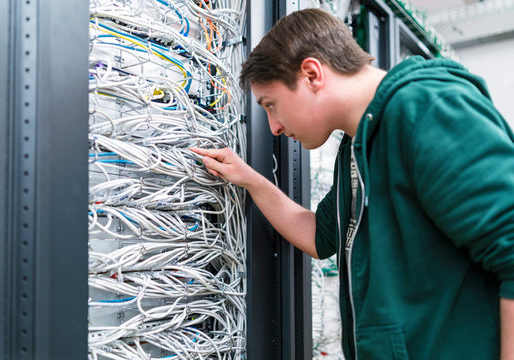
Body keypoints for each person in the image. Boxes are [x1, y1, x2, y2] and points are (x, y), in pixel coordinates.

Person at [191, 8, 514, 360]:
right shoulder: (358, 146)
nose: (274, 127)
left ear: (312, 74)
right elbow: (319, 236)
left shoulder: (426, 109)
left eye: (272, 105)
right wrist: (250, 179)